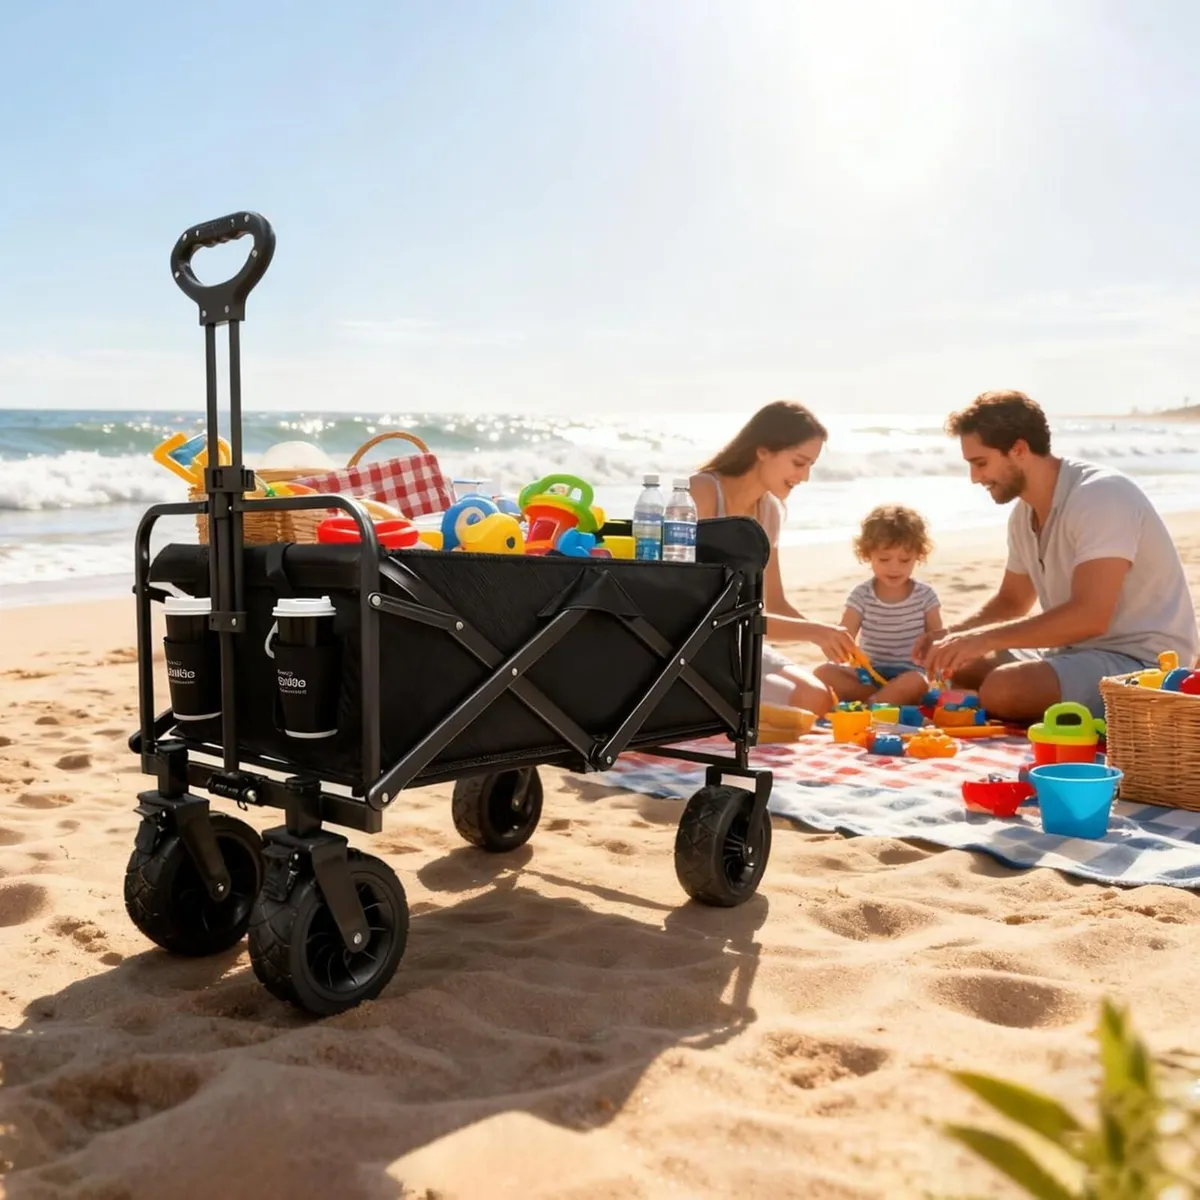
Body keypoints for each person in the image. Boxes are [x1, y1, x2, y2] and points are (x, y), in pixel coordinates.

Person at [916, 390, 1199, 720]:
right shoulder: (1023, 515)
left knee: (1004, 689)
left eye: (981, 463)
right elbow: (1011, 601)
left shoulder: (1100, 496)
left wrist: (981, 639)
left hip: (1144, 663)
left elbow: (1090, 616)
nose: (975, 477)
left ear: (1019, 449)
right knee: (960, 665)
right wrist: (952, 636)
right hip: (1075, 652)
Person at [690, 400, 857, 715]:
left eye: (810, 465)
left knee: (816, 699)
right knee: (766, 709)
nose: (804, 477)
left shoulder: (768, 512)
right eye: (799, 463)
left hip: (740, 643)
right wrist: (815, 632)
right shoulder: (703, 491)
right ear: (763, 450)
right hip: (693, 646)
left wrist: (829, 637)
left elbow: (774, 604)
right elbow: (691, 604)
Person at [815, 504, 943, 705]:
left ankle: (873, 706)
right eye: (884, 559)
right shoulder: (861, 595)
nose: (894, 568)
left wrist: (934, 657)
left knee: (916, 681)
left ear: (918, 556)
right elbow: (844, 636)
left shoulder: (925, 596)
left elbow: (938, 639)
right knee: (823, 672)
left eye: (904, 560)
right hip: (869, 675)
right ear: (868, 554)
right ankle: (880, 701)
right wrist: (837, 650)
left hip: (909, 675)